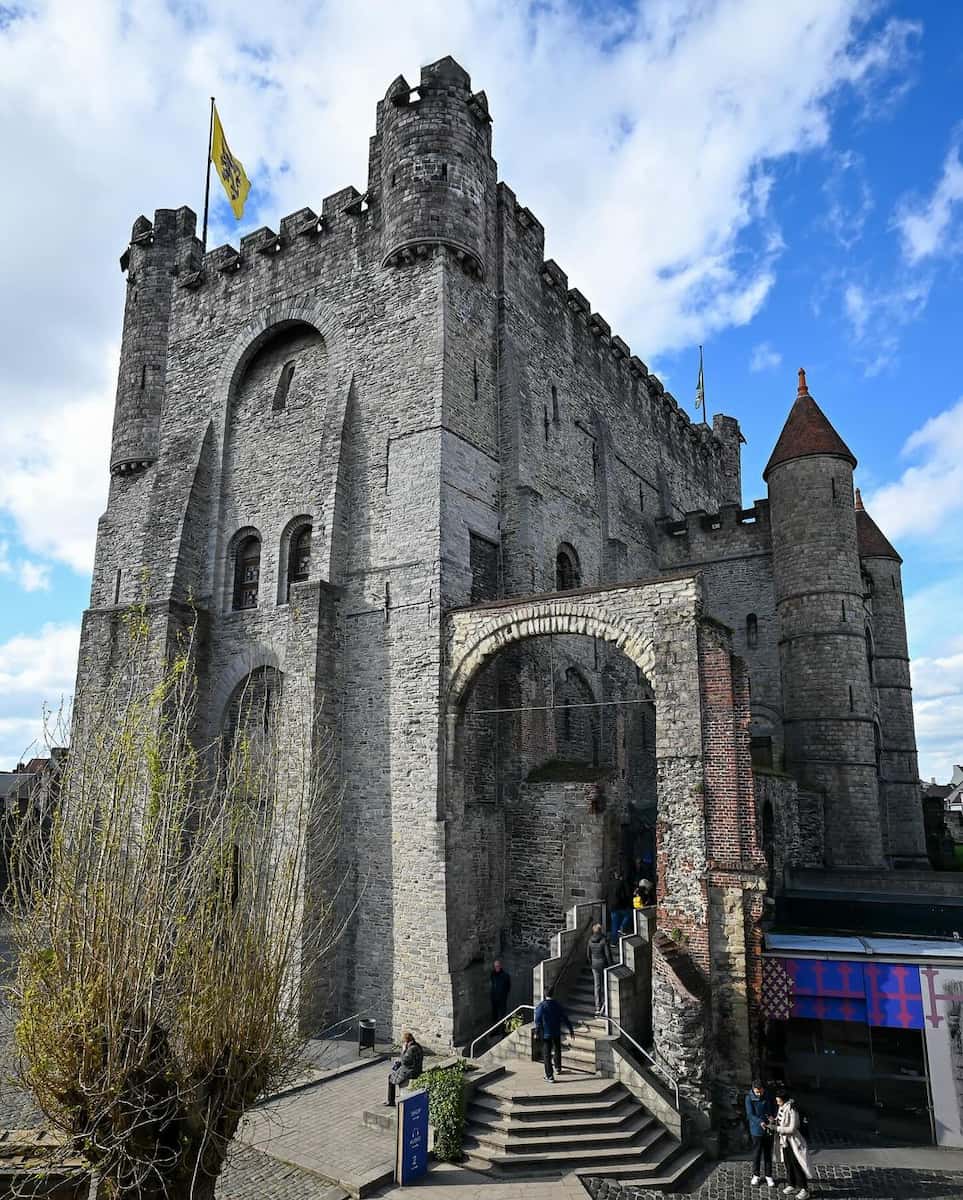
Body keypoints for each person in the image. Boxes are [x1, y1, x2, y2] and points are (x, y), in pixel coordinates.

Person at [774, 1089, 812, 1199]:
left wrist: (777, 1128)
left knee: (797, 1164)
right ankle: (792, 1184)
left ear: (784, 1100)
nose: (777, 1103)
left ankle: (804, 1189)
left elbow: (792, 1128)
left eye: (779, 1101)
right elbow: (780, 1119)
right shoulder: (782, 1107)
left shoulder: (792, 1109)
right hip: (785, 1142)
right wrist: (773, 1121)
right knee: (788, 1164)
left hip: (793, 1142)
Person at [534, 986, 575, 1082]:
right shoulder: (557, 1005)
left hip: (546, 1033)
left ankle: (549, 1075)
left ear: (545, 994)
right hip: (556, 1031)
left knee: (547, 1054)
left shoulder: (542, 1006)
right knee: (557, 1049)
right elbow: (565, 1017)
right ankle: (558, 1067)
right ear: (553, 994)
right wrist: (570, 1029)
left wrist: (537, 1032)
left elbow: (538, 1020)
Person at [745, 1079, 775, 1188]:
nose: (759, 1094)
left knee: (768, 1153)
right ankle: (756, 1175)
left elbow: (772, 1108)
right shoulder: (749, 1098)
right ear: (753, 1089)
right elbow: (750, 1114)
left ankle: (768, 1175)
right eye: (757, 1092)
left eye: (761, 1091)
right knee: (757, 1153)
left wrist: (772, 1117)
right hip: (756, 1130)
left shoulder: (768, 1095)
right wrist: (760, 1122)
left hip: (768, 1128)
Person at [385, 1029, 423, 1106]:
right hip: (415, 1068)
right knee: (396, 1071)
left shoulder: (411, 1049)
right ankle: (391, 1100)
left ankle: (390, 1101)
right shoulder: (418, 1046)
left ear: (406, 1041)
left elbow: (404, 1061)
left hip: (410, 1071)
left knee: (390, 1077)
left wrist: (403, 1050)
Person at [586, 923, 612, 1015]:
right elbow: (608, 954)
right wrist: (610, 964)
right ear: (600, 930)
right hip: (603, 964)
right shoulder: (604, 940)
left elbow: (588, 955)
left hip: (594, 964)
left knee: (597, 985)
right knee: (605, 984)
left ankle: (597, 1006)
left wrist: (591, 963)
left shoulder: (590, 940)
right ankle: (605, 1004)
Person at [607, 872, 631, 944]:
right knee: (629, 915)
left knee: (614, 925)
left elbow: (606, 894)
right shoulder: (622, 883)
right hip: (620, 906)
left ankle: (613, 942)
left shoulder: (610, 883)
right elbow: (626, 895)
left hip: (612, 907)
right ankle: (622, 927)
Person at [489, 959, 511, 1024]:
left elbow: (508, 987)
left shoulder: (506, 975)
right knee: (494, 1014)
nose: (497, 968)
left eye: (498, 966)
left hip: (502, 998)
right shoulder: (492, 974)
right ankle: (494, 1027)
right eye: (495, 966)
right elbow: (492, 984)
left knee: (502, 1014)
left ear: (500, 966)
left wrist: (504, 995)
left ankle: (502, 1028)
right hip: (494, 997)